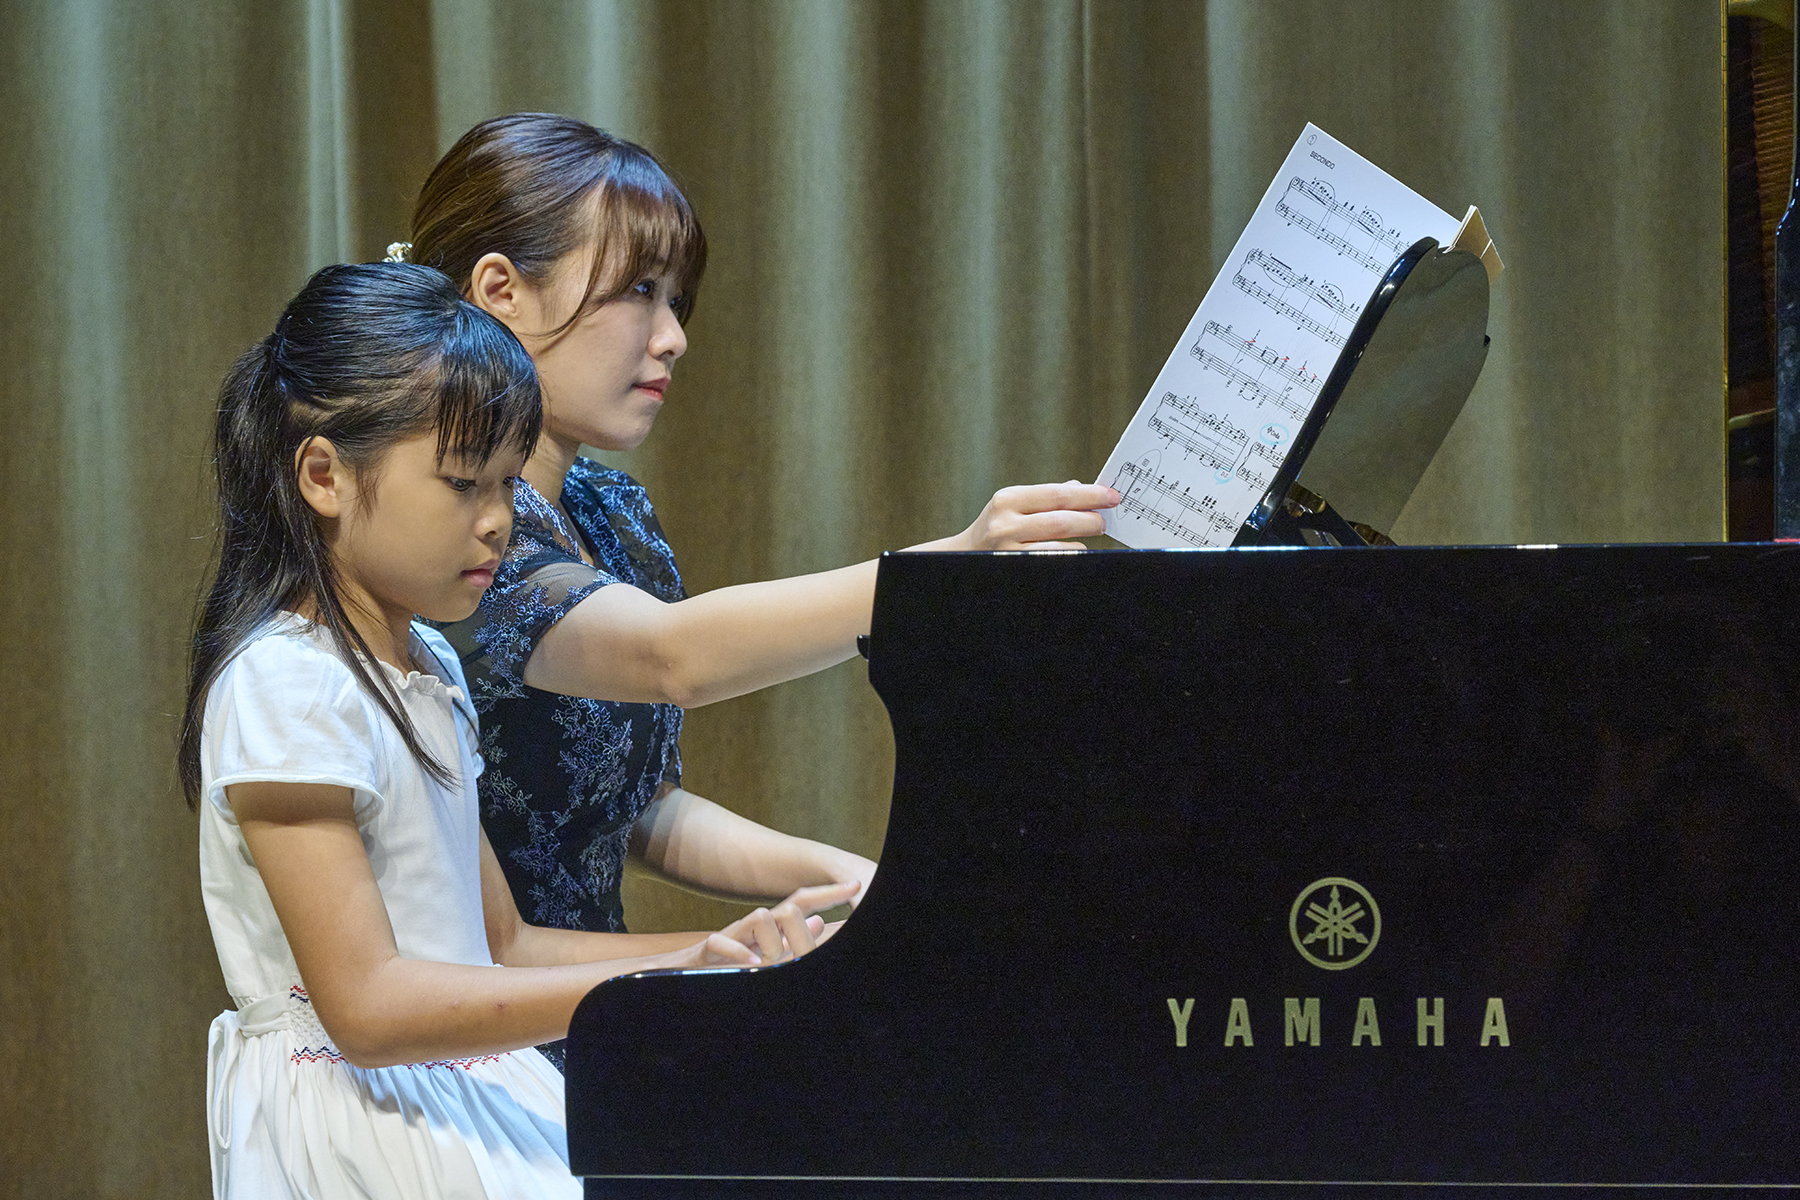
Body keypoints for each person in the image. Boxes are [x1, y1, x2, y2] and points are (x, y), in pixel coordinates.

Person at [407, 115, 1119, 1007]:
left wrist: (852, 877)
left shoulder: (609, 510)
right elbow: (675, 658)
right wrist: (951, 562)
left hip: (600, 1012)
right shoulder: (454, 532)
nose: (673, 336)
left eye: (677, 301)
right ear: (501, 291)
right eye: (640, 291)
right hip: (487, 1021)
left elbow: (639, 809)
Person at [178, 262, 854, 1198]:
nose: (497, 521)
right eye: (463, 484)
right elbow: (368, 1009)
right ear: (325, 476)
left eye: (506, 484)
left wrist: (718, 961)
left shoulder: (429, 662)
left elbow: (504, 946)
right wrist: (671, 966)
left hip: (465, 1088)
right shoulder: (286, 682)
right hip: (365, 1123)